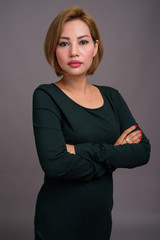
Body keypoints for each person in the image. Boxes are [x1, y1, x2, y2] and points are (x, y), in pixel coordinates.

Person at [32, 6, 151, 240]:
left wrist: (77, 149)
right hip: (58, 221)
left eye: (83, 42)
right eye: (64, 43)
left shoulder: (112, 97)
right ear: (53, 49)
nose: (74, 52)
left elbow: (142, 151)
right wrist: (114, 154)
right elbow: (55, 164)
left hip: (100, 221)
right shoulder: (45, 96)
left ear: (95, 48)